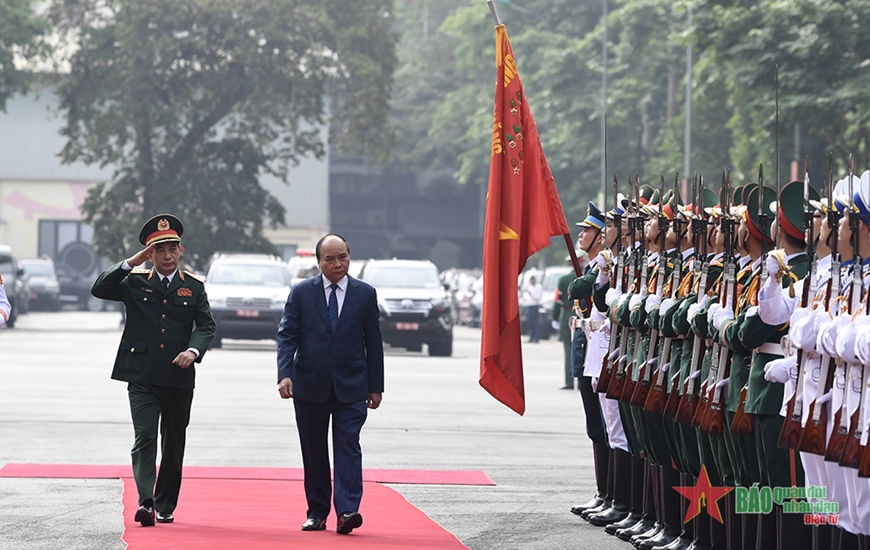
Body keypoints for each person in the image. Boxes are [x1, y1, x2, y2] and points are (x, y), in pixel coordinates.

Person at [91, 214, 215, 526]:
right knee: (144, 436)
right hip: (142, 375)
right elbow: (99, 288)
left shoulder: (194, 288)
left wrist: (193, 350)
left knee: (173, 442)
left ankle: (166, 502)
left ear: (180, 251)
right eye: (160, 250)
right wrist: (131, 262)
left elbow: (206, 326)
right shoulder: (133, 283)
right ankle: (146, 501)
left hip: (178, 376)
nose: (168, 255)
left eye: (172, 248)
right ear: (151, 254)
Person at [276, 233, 385, 535]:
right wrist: (285, 374)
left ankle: (348, 510)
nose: (338, 264)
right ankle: (318, 511)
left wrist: (376, 386)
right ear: (319, 262)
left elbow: (373, 342)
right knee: (313, 450)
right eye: (330, 259)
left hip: (352, 384)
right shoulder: (301, 293)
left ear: (350, 257)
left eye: (343, 257)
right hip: (309, 385)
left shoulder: (365, 294)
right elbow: (287, 335)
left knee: (348, 445)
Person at [521, 275, 543, 342]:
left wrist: (531, 294)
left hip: (534, 306)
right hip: (529, 306)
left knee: (535, 322)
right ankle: (531, 337)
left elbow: (538, 297)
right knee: (530, 322)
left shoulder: (538, 287)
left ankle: (536, 337)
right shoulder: (529, 287)